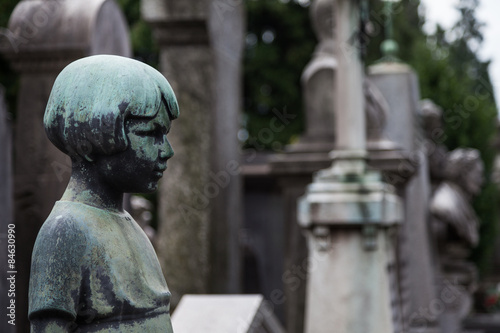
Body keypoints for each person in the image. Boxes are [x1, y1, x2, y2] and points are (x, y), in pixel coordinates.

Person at [28, 55, 179, 332]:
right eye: (151, 133)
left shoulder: (130, 225)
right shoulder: (65, 231)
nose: (167, 151)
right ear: (90, 138)